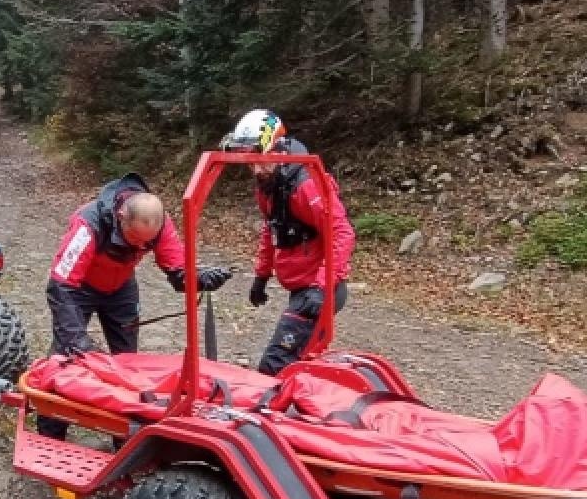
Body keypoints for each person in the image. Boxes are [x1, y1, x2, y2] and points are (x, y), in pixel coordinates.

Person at [38, 173, 232, 440]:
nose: (142, 246)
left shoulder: (159, 224)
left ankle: (124, 436)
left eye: (148, 242)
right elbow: (60, 285)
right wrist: (75, 336)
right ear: (121, 217)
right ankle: (50, 433)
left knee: (127, 364)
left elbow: (177, 271)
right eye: (136, 240)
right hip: (78, 288)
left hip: (121, 288)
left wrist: (199, 278)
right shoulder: (88, 224)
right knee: (65, 358)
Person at [220, 109, 356, 376]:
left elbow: (342, 233)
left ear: (279, 151)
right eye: (251, 163)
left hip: (319, 291)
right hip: (301, 289)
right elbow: (271, 230)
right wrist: (261, 276)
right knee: (300, 366)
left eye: (261, 161)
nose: (256, 170)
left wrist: (321, 287)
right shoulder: (269, 184)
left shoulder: (306, 186)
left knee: (275, 365)